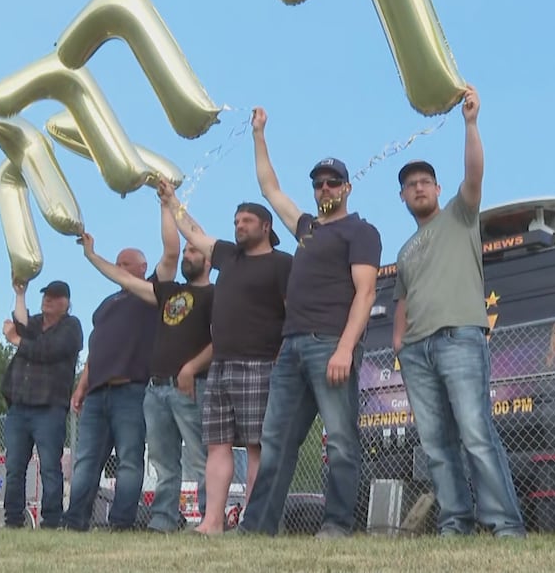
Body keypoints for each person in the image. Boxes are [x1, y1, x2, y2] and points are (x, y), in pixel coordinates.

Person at [390, 86, 527, 538]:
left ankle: (505, 524)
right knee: (436, 446)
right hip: (417, 352)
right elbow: (402, 299)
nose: (418, 187)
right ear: (404, 199)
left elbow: (474, 173)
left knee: (475, 434)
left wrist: (470, 123)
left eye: (425, 181)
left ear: (439, 188)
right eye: (410, 185)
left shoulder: (460, 215)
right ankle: (455, 521)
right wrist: (399, 343)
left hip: (461, 339)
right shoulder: (405, 249)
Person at [240, 107, 382, 538]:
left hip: (329, 345)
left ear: (347, 188)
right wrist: (259, 134)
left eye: (332, 181)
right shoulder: (305, 229)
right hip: (292, 348)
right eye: (319, 183)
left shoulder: (361, 231)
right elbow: (270, 187)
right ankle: (257, 528)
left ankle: (336, 524)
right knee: (276, 441)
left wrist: (344, 347)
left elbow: (367, 292)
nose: (324, 187)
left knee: (339, 439)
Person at [156, 183, 293, 537]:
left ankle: (256, 520)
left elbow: (293, 314)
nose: (239, 225)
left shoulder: (282, 264)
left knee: (255, 446)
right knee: (217, 446)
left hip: (260, 365)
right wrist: (172, 202)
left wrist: (282, 360)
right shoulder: (228, 256)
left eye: (247, 220)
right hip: (221, 366)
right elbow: (195, 233)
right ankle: (212, 522)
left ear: (266, 227)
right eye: (236, 220)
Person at [77, 202, 214, 533]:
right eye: (187, 252)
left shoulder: (216, 295)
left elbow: (220, 340)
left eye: (194, 251)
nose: (187, 255)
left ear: (209, 259)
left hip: (189, 387)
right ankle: (163, 520)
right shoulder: (167, 293)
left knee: (201, 459)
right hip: (155, 389)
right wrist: (93, 256)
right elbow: (122, 274)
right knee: (164, 463)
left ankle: (212, 517)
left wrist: (168, 206)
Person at [60, 247, 156, 531]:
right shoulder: (105, 305)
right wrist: (81, 388)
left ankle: (121, 522)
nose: (120, 267)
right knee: (86, 461)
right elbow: (96, 350)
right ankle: (75, 521)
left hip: (131, 390)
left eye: (126, 263)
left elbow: (170, 257)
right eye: (117, 264)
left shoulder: (150, 294)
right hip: (97, 393)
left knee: (129, 459)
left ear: (143, 267)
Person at [0, 279, 83, 529]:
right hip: (19, 407)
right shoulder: (35, 323)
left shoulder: (71, 327)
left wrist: (16, 340)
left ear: (65, 303)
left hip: (49, 408)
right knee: (14, 467)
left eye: (54, 296)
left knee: (49, 467)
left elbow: (47, 351)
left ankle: (52, 520)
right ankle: (13, 520)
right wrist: (20, 294)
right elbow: (21, 324)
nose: (48, 299)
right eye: (46, 295)